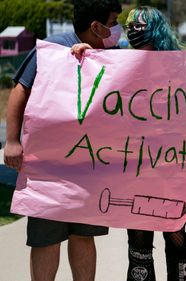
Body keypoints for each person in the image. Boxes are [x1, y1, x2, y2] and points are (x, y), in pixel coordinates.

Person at [72, 6, 186, 281]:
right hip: (134, 169)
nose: (133, 29)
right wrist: (84, 51)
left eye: (140, 25)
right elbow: (97, 70)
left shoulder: (180, 64)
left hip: (172, 168)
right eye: (130, 25)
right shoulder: (120, 59)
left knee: (175, 232)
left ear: (155, 29)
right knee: (139, 239)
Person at [3, 1, 122, 280]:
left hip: (91, 168)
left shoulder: (114, 53)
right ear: (96, 26)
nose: (117, 29)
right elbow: (19, 92)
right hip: (48, 169)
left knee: (83, 235)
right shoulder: (51, 49)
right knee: (46, 238)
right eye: (114, 21)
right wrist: (12, 141)